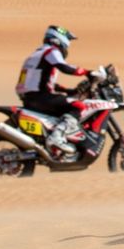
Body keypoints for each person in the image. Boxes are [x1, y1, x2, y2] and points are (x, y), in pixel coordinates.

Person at [16, 25, 104, 156]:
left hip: (31, 98)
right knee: (79, 105)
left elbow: (40, 80)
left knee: (64, 103)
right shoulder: (51, 51)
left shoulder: (36, 54)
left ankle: (53, 140)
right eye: (68, 41)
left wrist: (66, 90)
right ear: (60, 40)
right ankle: (57, 137)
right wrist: (87, 72)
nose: (67, 46)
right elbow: (64, 67)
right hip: (40, 97)